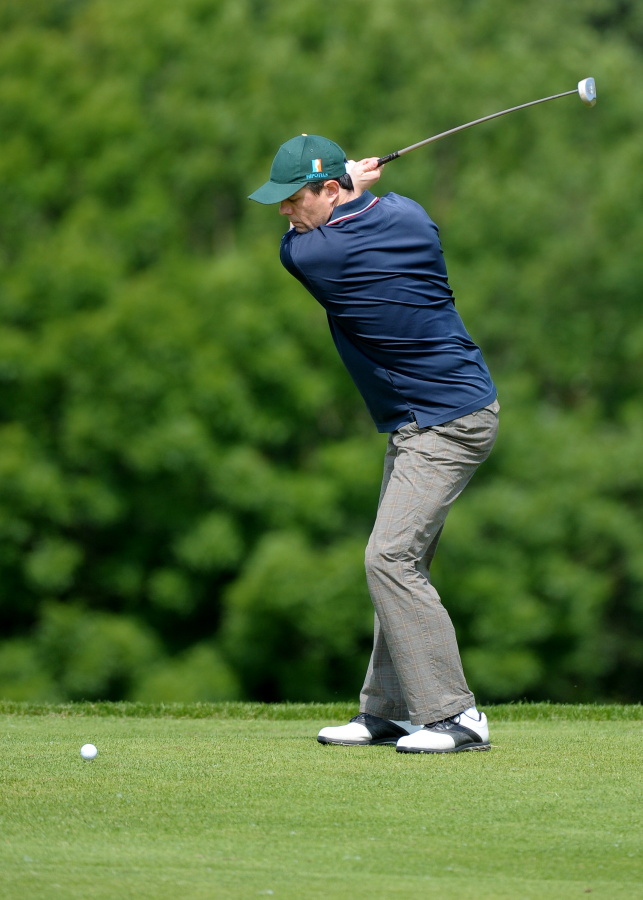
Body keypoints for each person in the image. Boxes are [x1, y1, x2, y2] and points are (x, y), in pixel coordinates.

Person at [248, 134, 499, 753]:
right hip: (436, 413)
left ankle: (456, 716)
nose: (285, 212)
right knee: (403, 564)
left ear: (331, 190)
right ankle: (388, 710)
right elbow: (368, 211)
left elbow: (296, 247)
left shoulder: (315, 254)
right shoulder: (411, 216)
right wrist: (356, 190)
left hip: (444, 423)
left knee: (389, 559)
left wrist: (351, 183)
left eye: (294, 199)